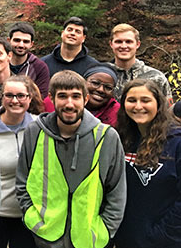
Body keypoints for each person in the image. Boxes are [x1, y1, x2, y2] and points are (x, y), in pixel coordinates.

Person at [16, 70, 126, 248]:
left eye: (76, 96)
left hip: (90, 240)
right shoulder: (34, 131)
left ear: (86, 99)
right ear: (51, 98)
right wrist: (32, 218)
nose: (69, 104)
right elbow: (22, 182)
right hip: (44, 238)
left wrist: (105, 229)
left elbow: (117, 191)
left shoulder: (107, 137)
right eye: (62, 96)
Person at [114, 80, 181, 248]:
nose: (138, 106)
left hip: (163, 240)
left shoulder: (176, 142)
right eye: (131, 100)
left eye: (145, 100)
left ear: (158, 104)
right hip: (125, 237)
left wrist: (163, 235)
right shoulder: (121, 138)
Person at [0, 75, 42, 248]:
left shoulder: (40, 127)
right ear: (2, 97)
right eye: (9, 95)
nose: (15, 101)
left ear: (29, 98)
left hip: (29, 213)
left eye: (21, 96)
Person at [107, 23, 172, 101]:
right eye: (118, 42)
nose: (124, 46)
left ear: (137, 44)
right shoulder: (101, 75)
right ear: (111, 44)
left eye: (128, 42)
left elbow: (167, 110)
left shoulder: (156, 77)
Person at [43, 64, 121, 126]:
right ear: (84, 82)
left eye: (108, 87)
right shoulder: (51, 102)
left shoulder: (117, 112)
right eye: (95, 83)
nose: (100, 90)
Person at [7, 22, 50, 97]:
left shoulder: (40, 67)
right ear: (9, 41)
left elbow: (41, 98)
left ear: (31, 44)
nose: (21, 45)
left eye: (26, 41)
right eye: (17, 40)